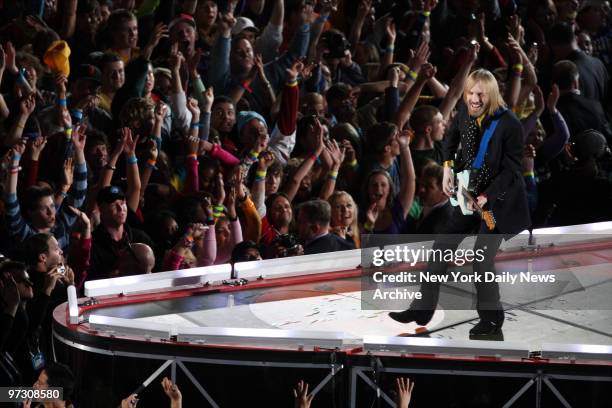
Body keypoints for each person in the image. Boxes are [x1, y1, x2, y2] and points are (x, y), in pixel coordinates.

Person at [389, 69, 530, 336]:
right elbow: (451, 140)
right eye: (471, 94)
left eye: (479, 95)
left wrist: (486, 196)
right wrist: (446, 168)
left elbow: (512, 170)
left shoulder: (510, 124)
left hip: (497, 202)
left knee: (481, 258)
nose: (474, 99)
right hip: (469, 193)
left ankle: (491, 318)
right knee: (442, 245)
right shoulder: (467, 112)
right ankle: (422, 308)